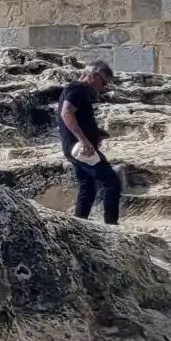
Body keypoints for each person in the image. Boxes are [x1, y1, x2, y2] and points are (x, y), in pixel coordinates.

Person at [58, 61, 123, 225]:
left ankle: (80, 226)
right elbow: (66, 113)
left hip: (75, 146)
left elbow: (77, 117)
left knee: (87, 186)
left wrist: (96, 133)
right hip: (79, 148)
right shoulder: (78, 89)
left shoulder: (79, 90)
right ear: (94, 75)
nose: (103, 88)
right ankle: (111, 227)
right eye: (104, 83)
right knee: (112, 183)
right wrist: (84, 140)